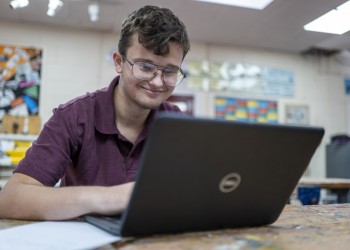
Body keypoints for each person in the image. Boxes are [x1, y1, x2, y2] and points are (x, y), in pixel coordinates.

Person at [0, 5, 190, 220]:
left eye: (169, 71)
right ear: (119, 62)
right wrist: (110, 197)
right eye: (145, 67)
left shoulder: (178, 123)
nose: (157, 82)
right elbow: (9, 199)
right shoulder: (73, 117)